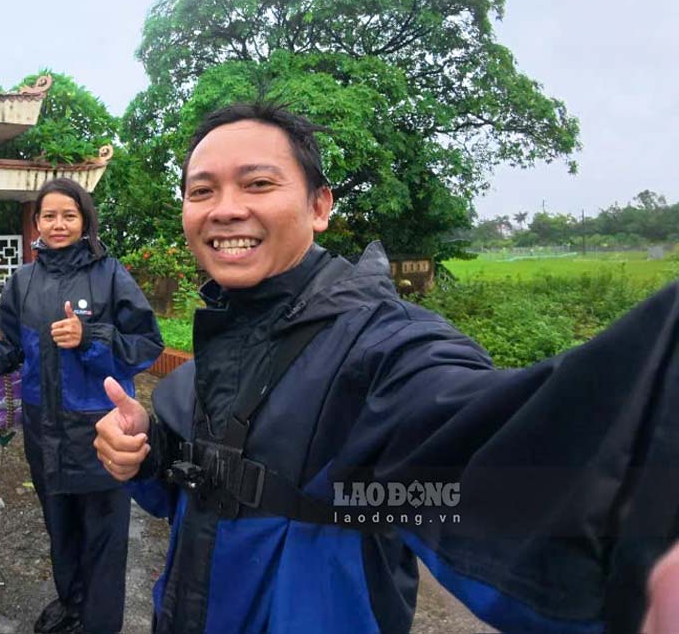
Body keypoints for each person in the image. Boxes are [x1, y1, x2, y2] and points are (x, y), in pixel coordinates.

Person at [92, 102, 679, 633]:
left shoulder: (382, 348)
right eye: (202, 192)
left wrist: (641, 530)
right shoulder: (218, 343)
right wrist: (147, 454)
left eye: (259, 183)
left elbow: (491, 449)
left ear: (320, 205)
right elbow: (200, 500)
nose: (225, 210)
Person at [0, 177, 163, 634]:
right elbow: (10, 347)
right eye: (49, 215)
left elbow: (146, 345)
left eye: (69, 215)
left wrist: (90, 337)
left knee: (103, 539)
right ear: (37, 223)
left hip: (100, 430)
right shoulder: (23, 281)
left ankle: (100, 624)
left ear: (84, 220)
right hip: (44, 431)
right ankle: (72, 606)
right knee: (60, 529)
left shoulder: (109, 275)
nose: (59, 224)